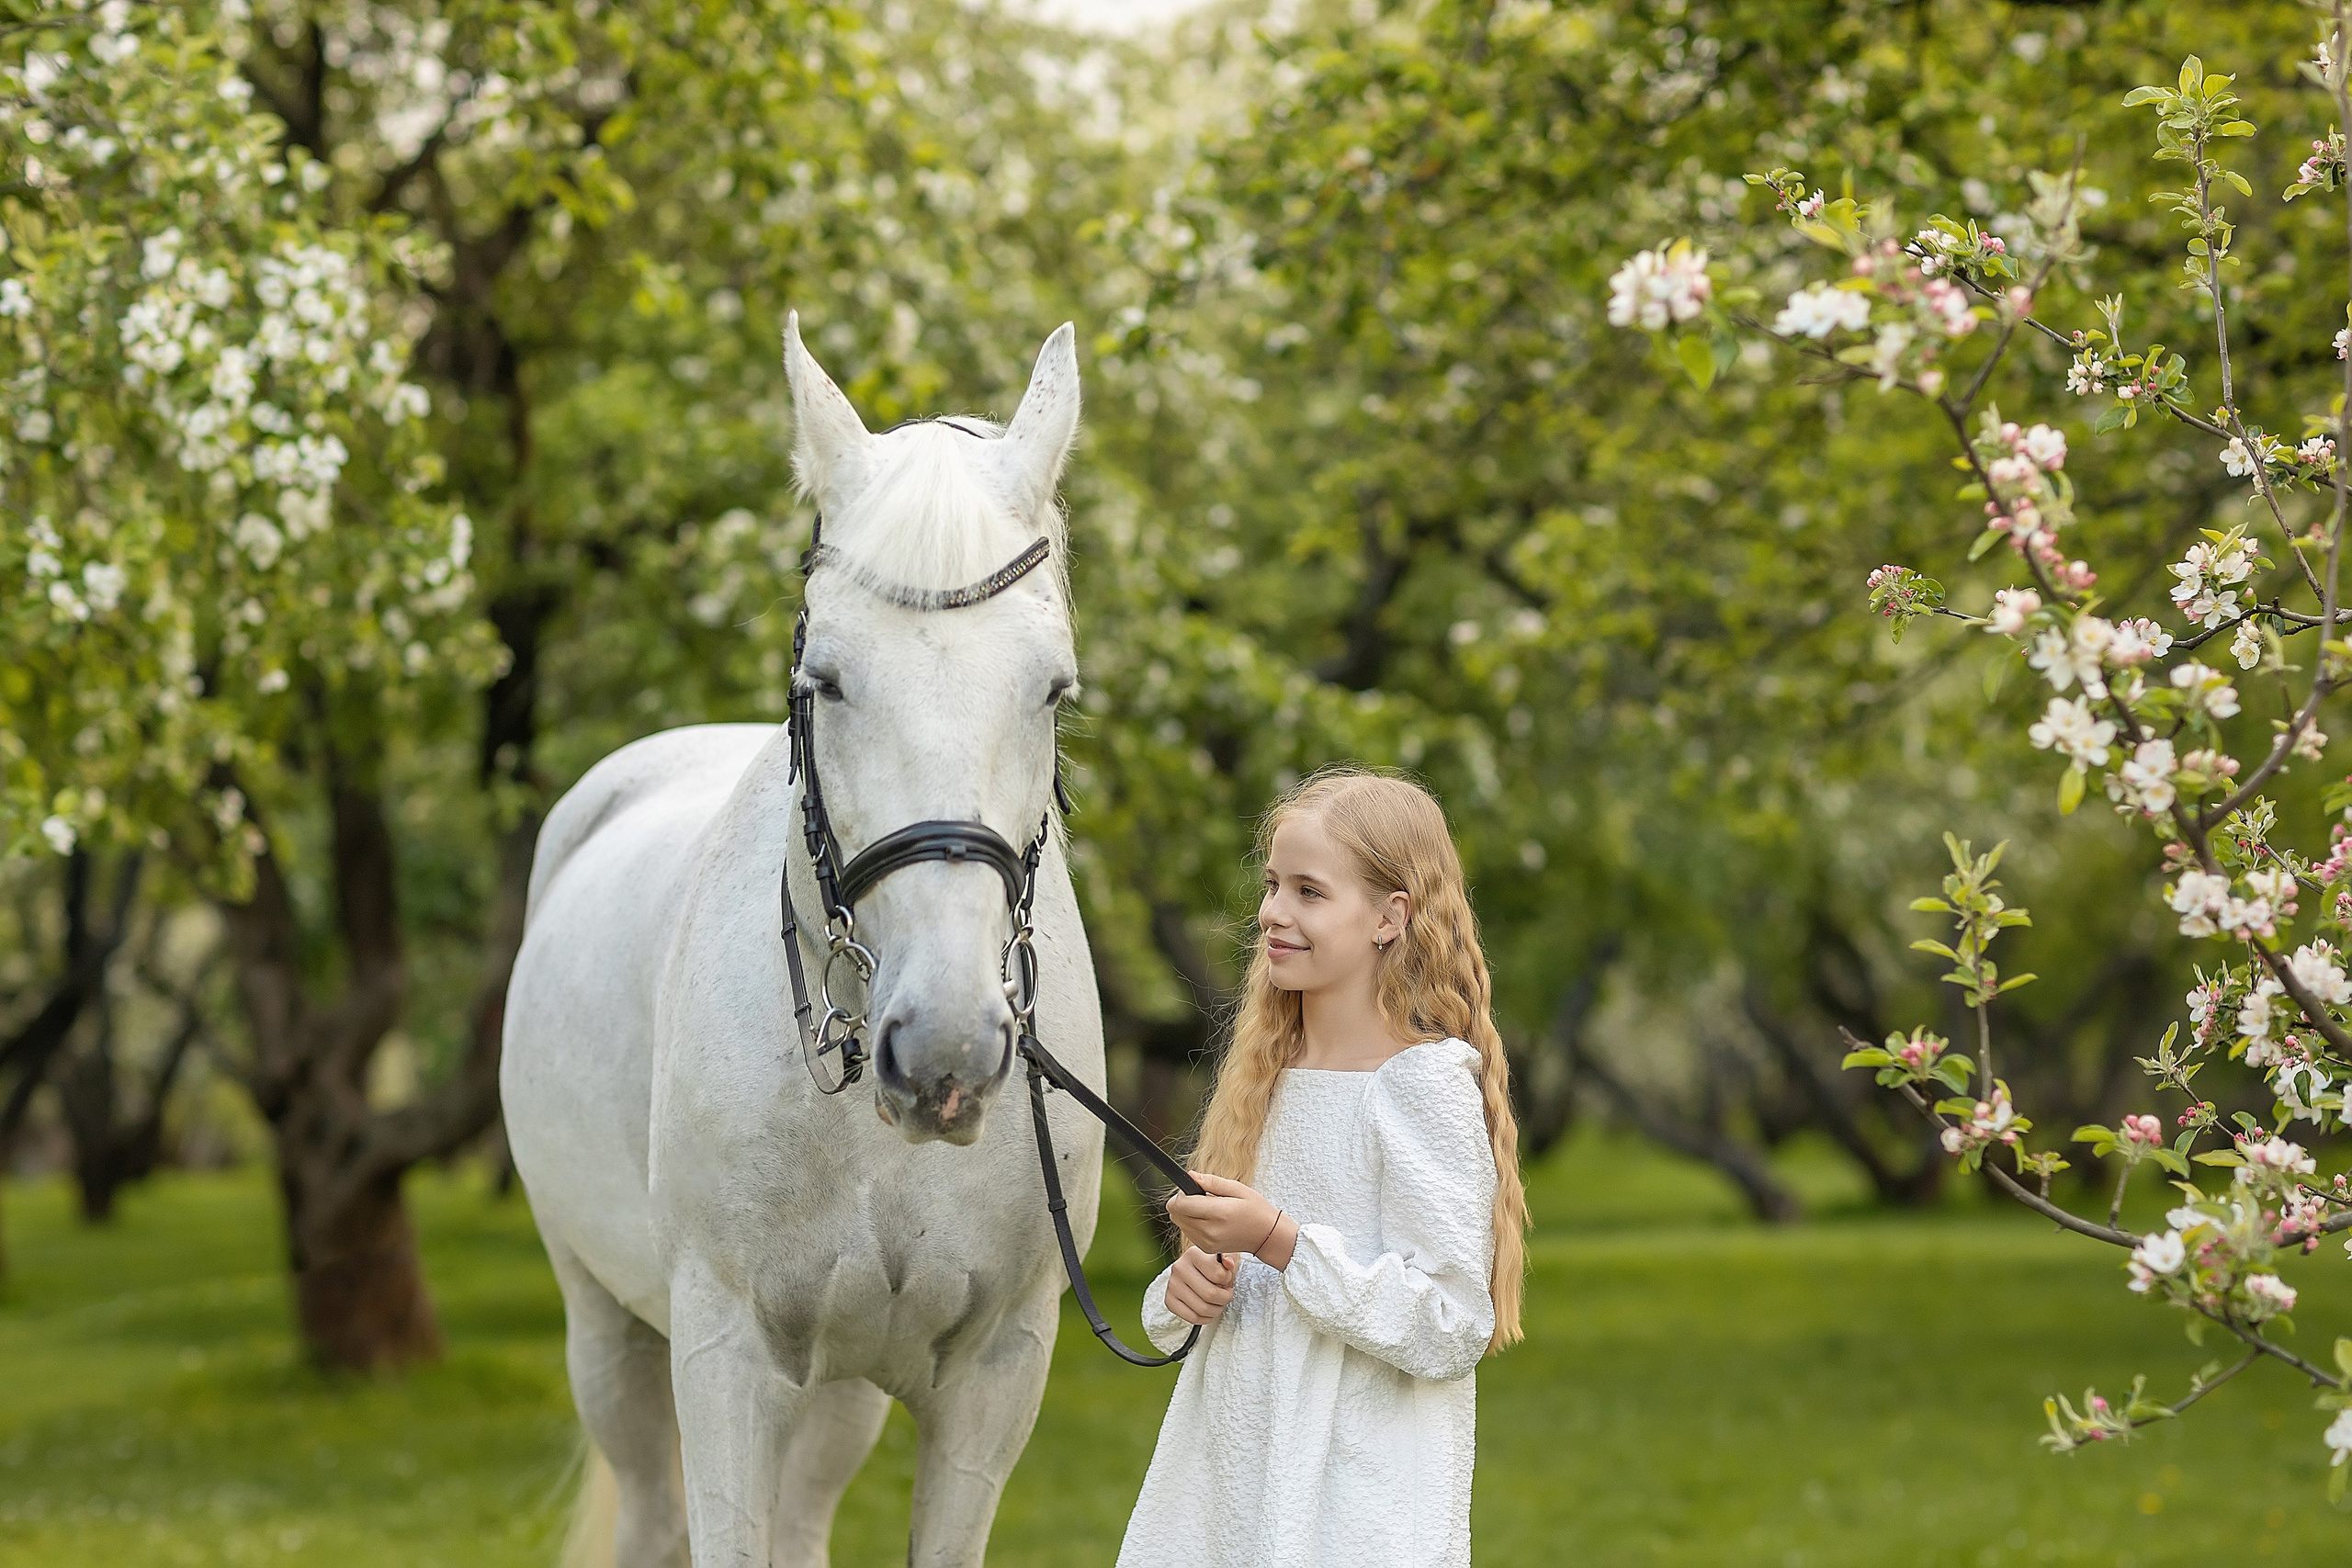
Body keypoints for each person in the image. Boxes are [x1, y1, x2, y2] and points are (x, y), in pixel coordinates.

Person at [1115, 767, 1530, 1568]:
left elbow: (1452, 1322)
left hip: (1356, 1498)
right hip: (1229, 1486)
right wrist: (1185, 1285)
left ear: (1388, 916)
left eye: (1309, 891)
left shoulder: (1421, 1083)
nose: (1272, 911)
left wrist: (1280, 1240)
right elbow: (1232, 1296)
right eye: (1273, 885)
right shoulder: (1264, 1072)